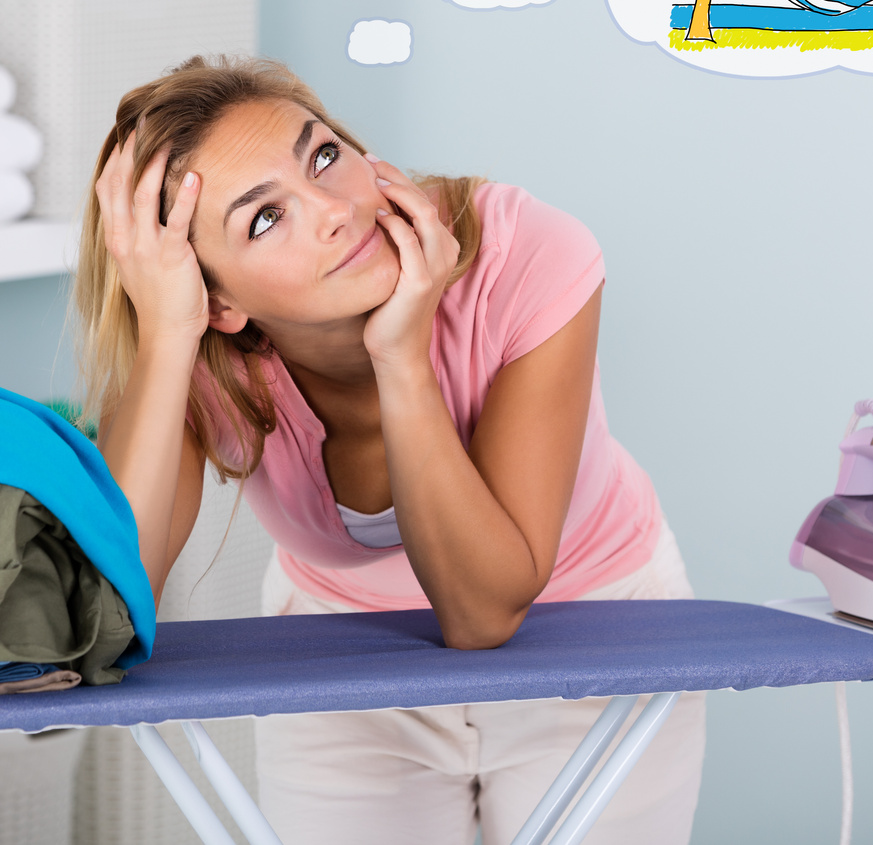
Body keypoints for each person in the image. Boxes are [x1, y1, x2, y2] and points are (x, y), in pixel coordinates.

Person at [73, 56, 703, 844]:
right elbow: (107, 618)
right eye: (264, 219)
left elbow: (481, 614)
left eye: (324, 156)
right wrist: (166, 332)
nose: (335, 212)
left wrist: (401, 357)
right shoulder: (196, 353)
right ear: (218, 300)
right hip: (342, 654)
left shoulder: (523, 252)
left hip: (593, 630)